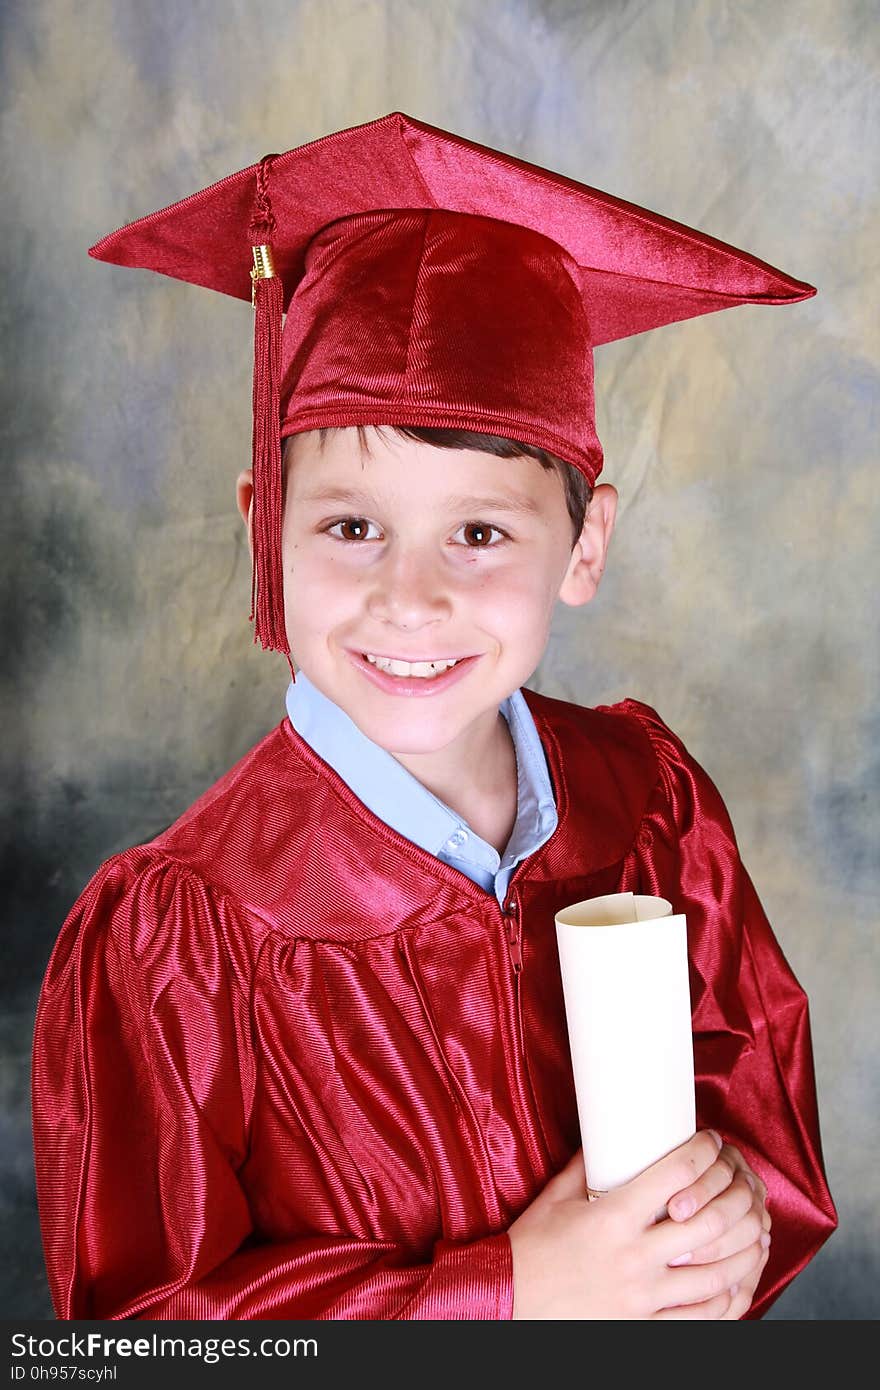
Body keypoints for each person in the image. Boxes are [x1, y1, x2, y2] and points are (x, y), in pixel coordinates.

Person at [31, 112, 837, 1321]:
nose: (410, 597)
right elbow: (145, 1331)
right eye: (351, 526)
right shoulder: (174, 940)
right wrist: (511, 1296)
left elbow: (760, 1131)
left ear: (585, 544)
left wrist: (728, 1225)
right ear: (265, 528)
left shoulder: (650, 802)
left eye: (481, 530)